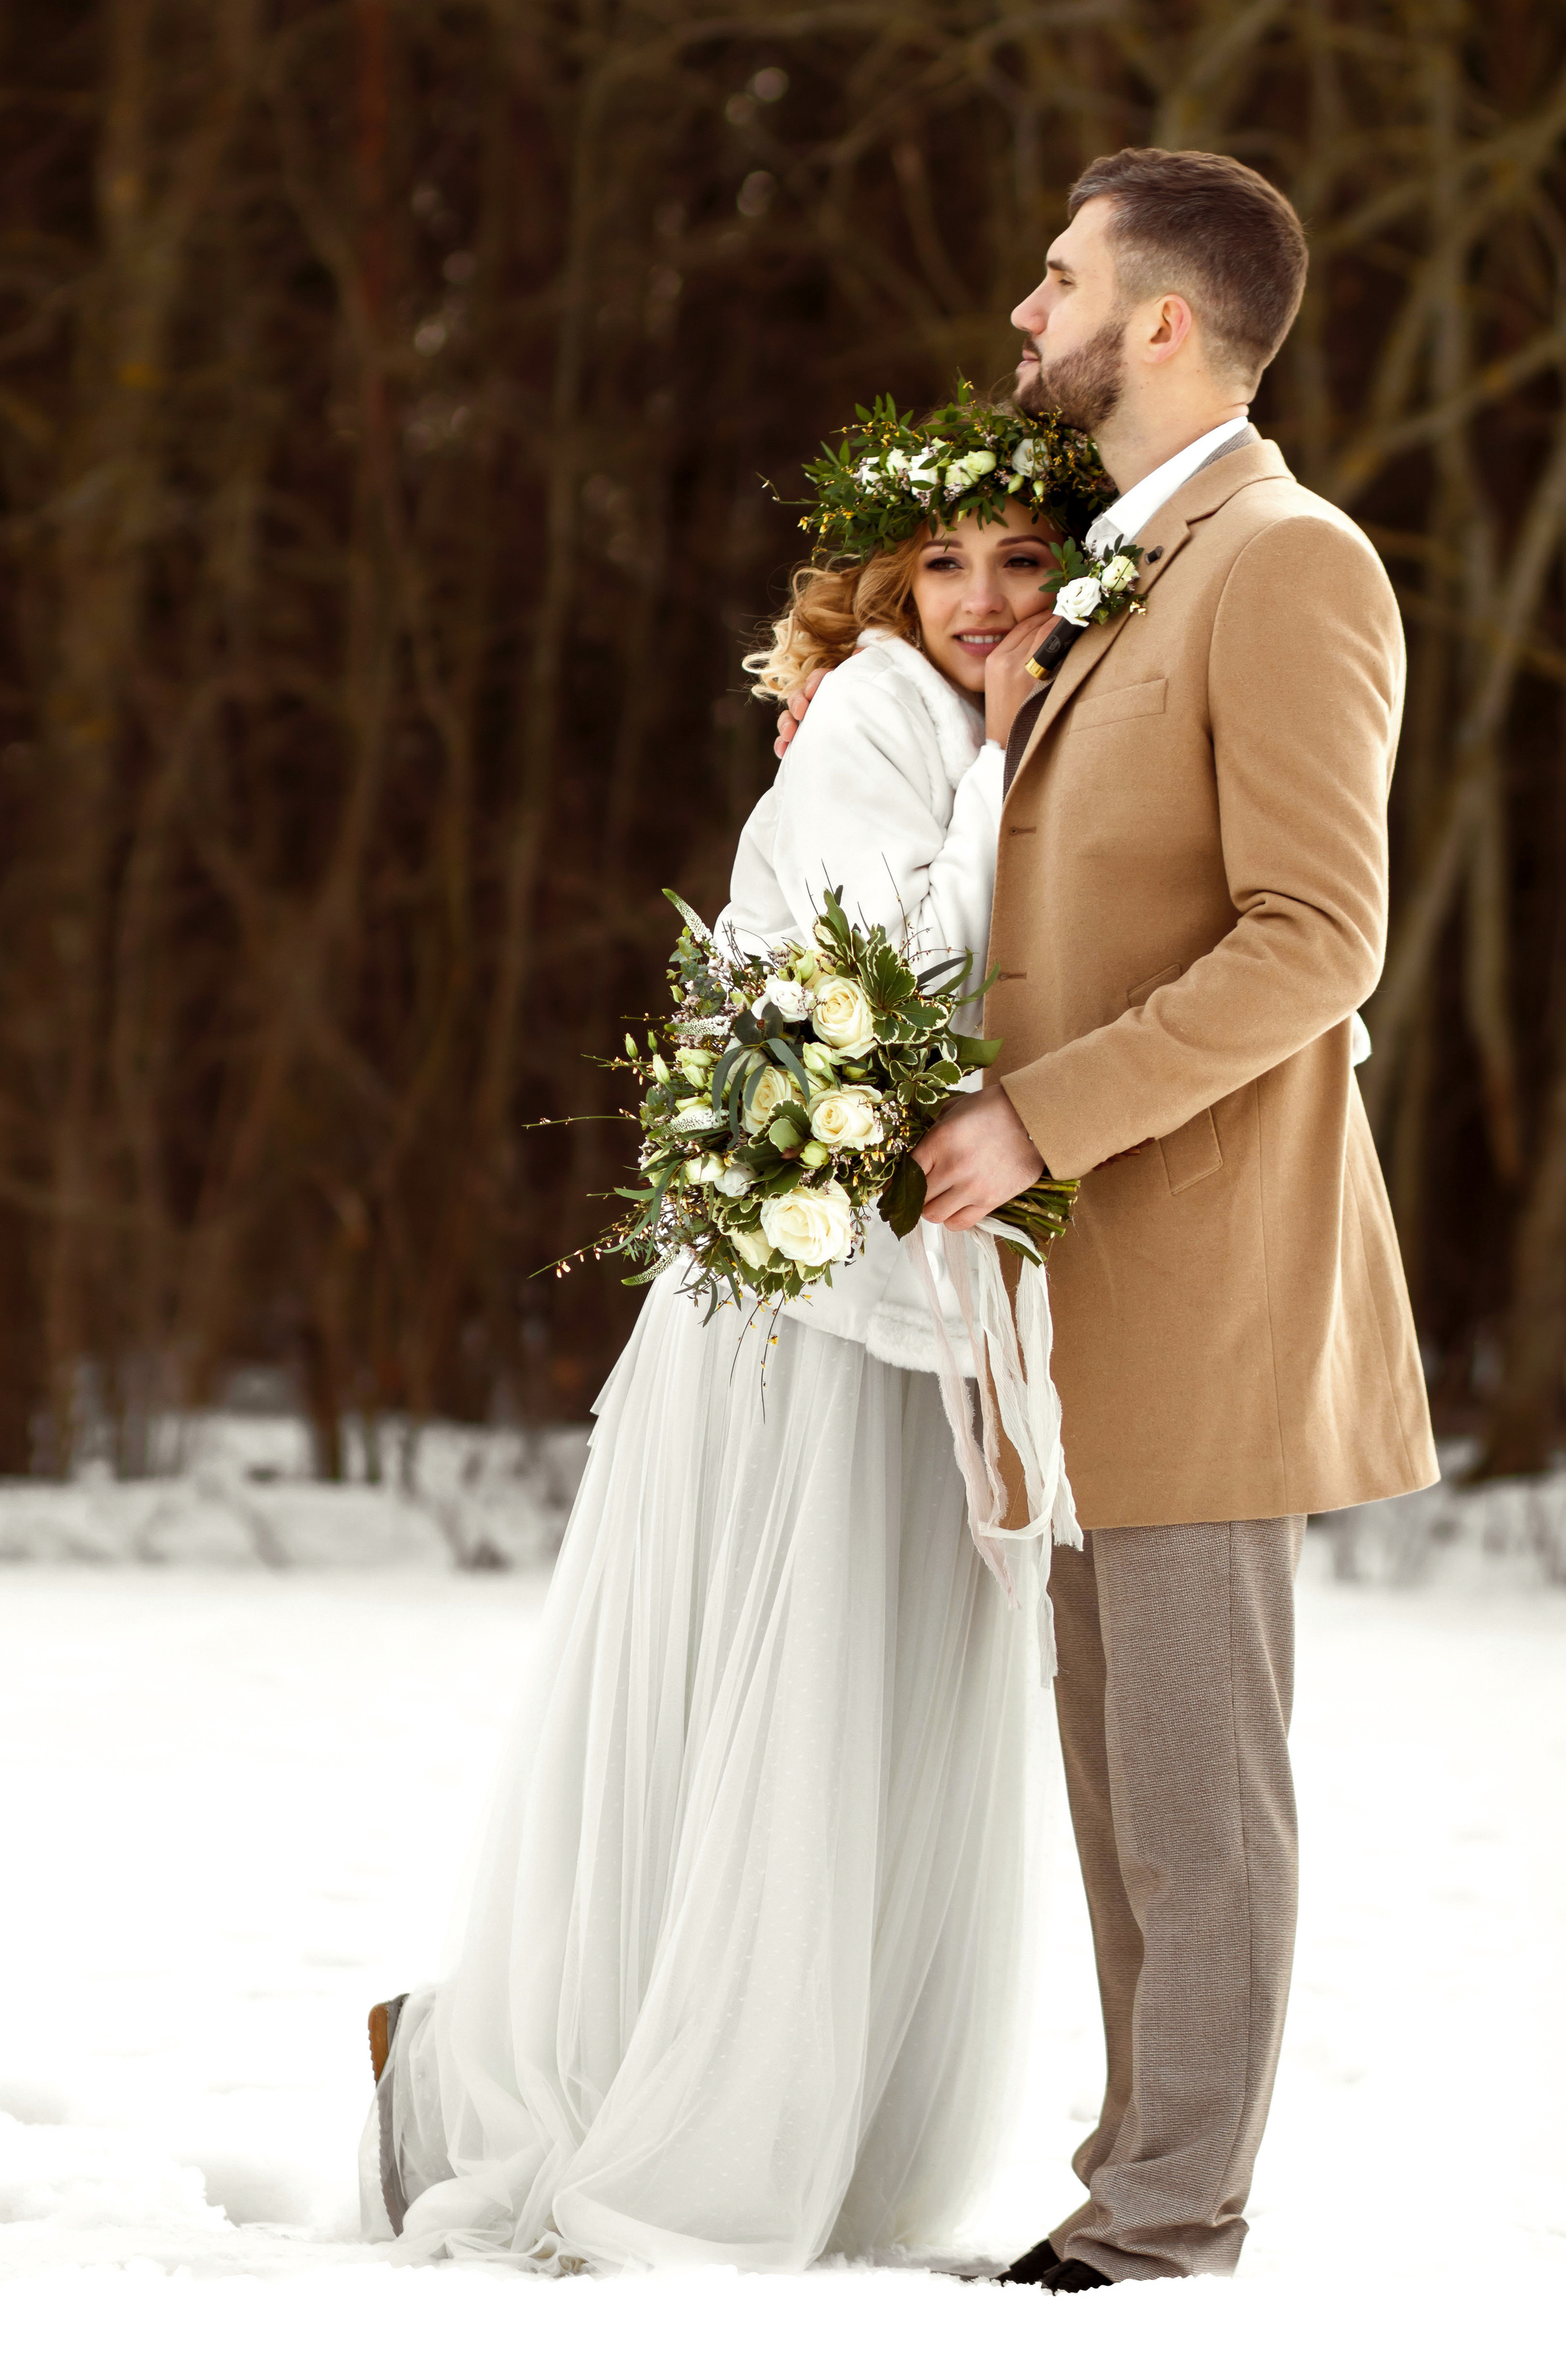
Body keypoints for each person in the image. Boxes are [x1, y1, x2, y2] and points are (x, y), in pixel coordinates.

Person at [358, 399, 1101, 2273]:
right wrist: (1005, 763)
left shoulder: (998, 719)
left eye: (1022, 560)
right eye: (943, 564)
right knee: (779, 1692)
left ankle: (791, 2111)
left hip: (915, 1290)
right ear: (889, 586)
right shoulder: (874, 717)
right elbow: (919, 972)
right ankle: (532, 2083)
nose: (984, 600)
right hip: (808, 1311)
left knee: (865, 1704)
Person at [907, 148, 1438, 2288]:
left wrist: (1035, 1119)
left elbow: (1318, 938)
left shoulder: (1290, 562)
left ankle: (1165, 2227)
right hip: (1071, 1293)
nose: (1023, 311)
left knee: (1199, 1788)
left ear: (1159, 323)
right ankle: (1131, 2186)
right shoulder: (1128, 565)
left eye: (1058, 280)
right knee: (1122, 1782)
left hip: (1206, 1274)